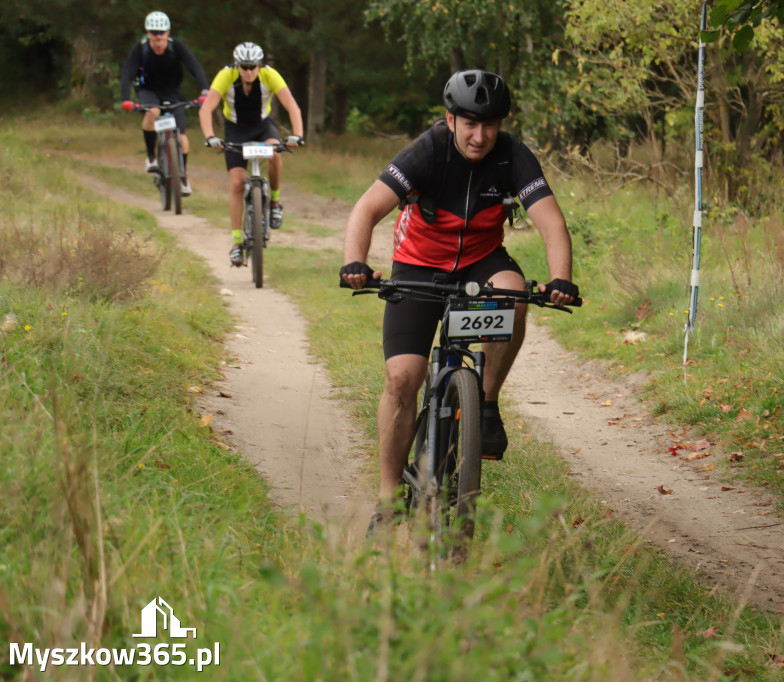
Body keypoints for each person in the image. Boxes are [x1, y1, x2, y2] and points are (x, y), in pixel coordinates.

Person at [340, 69, 579, 530]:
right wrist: (355, 262)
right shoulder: (426, 151)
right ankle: (390, 498)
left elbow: (552, 222)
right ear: (451, 120)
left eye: (490, 124)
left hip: (480, 260)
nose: (480, 135)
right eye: (470, 123)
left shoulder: (512, 157)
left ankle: (484, 404)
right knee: (402, 379)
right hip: (419, 265)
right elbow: (366, 209)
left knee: (514, 293)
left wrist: (560, 278)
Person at [199, 42, 304, 266]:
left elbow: (293, 107)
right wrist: (210, 137)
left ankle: (274, 202)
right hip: (235, 129)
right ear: (237, 65)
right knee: (237, 183)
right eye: (244, 67)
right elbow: (206, 108)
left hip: (262, 126)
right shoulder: (225, 76)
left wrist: (297, 135)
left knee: (275, 152)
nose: (248, 72)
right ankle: (237, 243)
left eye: (252, 67)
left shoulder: (270, 75)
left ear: (260, 65)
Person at [119, 11, 208, 197]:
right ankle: (151, 157)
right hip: (148, 91)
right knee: (153, 112)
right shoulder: (140, 48)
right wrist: (126, 99)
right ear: (148, 33)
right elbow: (127, 73)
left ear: (168, 32)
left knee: (182, 136)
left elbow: (195, 68)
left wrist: (205, 92)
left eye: (161, 32)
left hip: (172, 92)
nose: (158, 37)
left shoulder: (177, 47)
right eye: (153, 32)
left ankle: (183, 177)